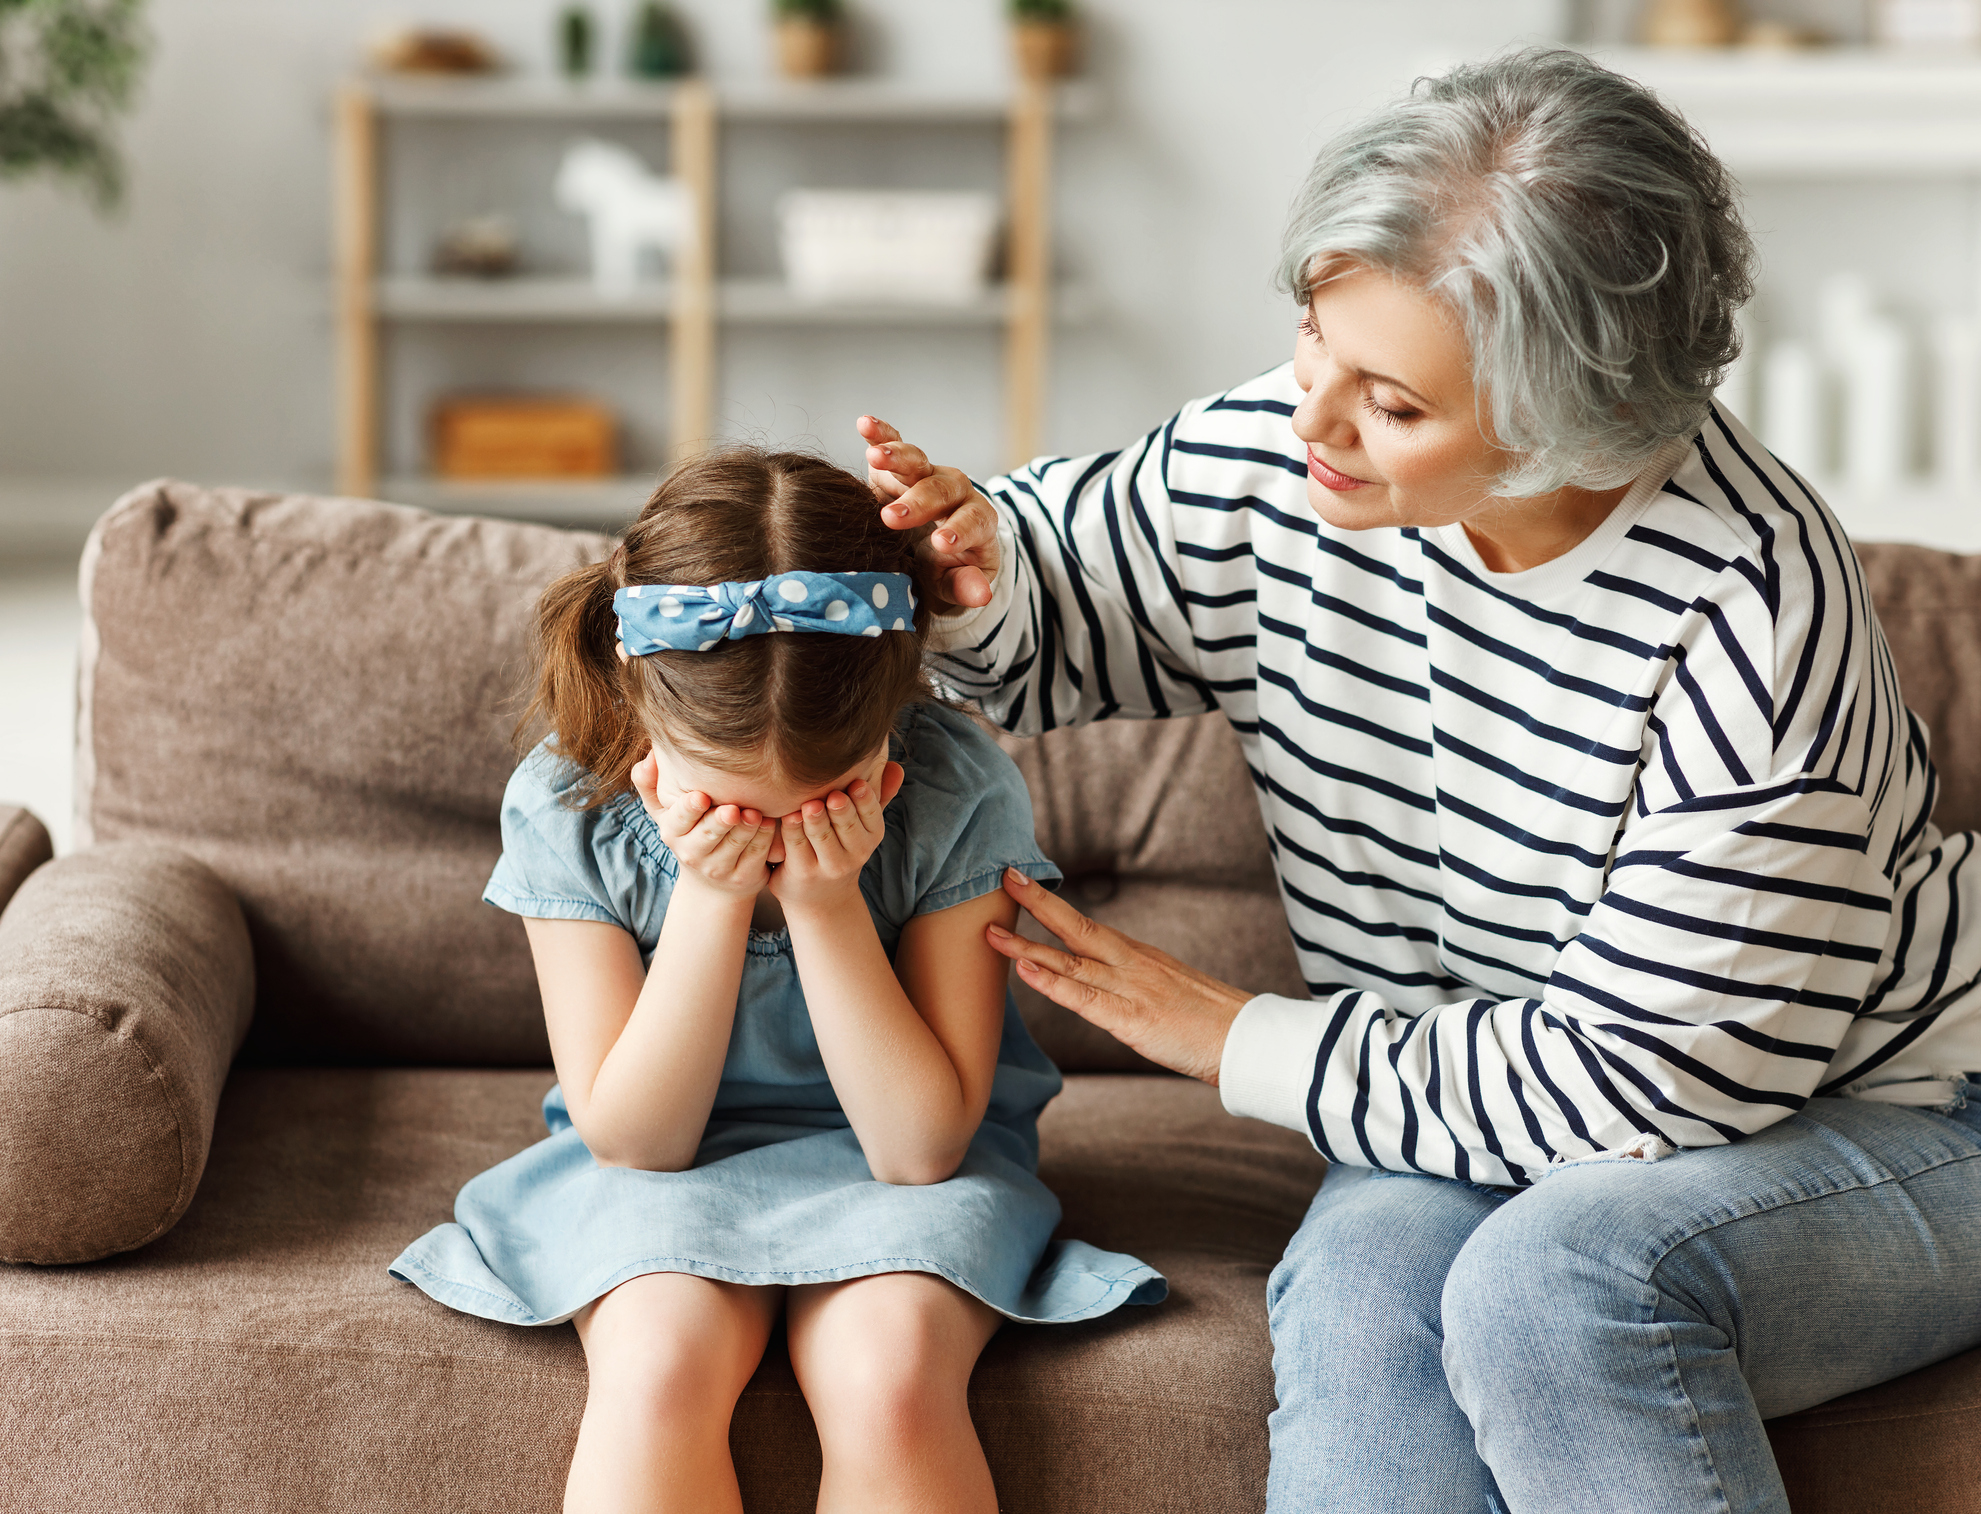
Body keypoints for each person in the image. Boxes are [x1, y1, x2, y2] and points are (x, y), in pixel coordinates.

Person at [863, 47, 1981, 1514]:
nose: (1311, 421)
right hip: (1477, 1075)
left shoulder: (1747, 613)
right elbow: (1069, 587)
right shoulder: (1300, 451)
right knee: (1365, 1288)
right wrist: (971, 567)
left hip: (1880, 1107)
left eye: (1390, 404)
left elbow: (1658, 1081)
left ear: (1571, 421)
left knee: (1557, 1284)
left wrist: (1236, 1038)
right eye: (1312, 343)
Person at [390, 448, 1162, 1514]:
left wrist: (825, 898)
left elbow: (919, 1146)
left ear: (888, 731)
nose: (770, 832)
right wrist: (709, 901)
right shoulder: (566, 800)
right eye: (720, 804)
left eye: (826, 798)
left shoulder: (952, 788)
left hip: (902, 1165)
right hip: (659, 1164)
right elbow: (635, 1138)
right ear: (642, 706)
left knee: (888, 1377)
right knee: (655, 1366)